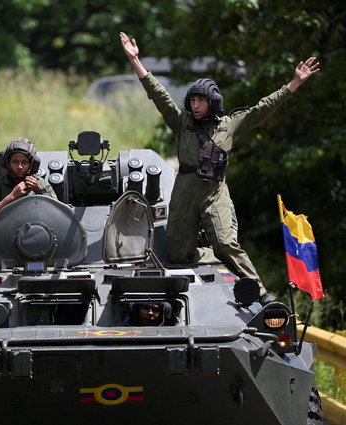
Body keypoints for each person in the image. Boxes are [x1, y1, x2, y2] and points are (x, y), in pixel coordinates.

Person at [119, 31, 320, 306]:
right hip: (186, 187)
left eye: (200, 101)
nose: (195, 105)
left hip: (215, 189)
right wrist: (135, 60)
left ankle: (261, 292)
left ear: (212, 101)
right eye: (192, 101)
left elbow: (263, 108)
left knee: (227, 243)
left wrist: (294, 83)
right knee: (178, 254)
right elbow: (158, 93)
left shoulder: (230, 123)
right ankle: (209, 252)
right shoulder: (182, 123)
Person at [0, 138, 57, 226]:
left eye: (24, 162)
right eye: (15, 162)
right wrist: (12, 197)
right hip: (5, 235)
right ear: (8, 163)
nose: (20, 167)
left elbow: (58, 214)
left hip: (37, 233)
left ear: (31, 164)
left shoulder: (41, 184)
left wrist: (40, 192)